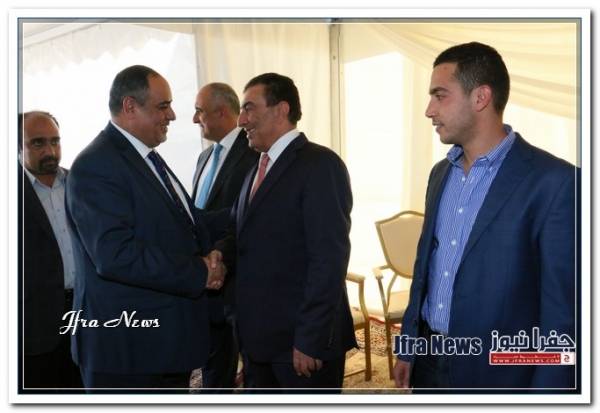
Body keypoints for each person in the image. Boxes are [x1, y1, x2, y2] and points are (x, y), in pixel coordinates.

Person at [393, 42, 577, 390]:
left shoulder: (556, 182)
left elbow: (563, 315)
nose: (429, 110)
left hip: (501, 377)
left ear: (480, 98)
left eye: (439, 95)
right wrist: (409, 346)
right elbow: (425, 269)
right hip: (429, 362)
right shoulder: (439, 174)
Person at [65, 65, 225, 390]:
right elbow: (115, 255)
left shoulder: (145, 156)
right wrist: (199, 272)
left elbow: (186, 222)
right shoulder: (96, 165)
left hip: (162, 346)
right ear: (129, 107)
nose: (173, 115)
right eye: (163, 106)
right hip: (128, 352)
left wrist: (248, 209)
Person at [217, 73, 356, 390]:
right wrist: (219, 255)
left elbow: (329, 259)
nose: (241, 120)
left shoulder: (321, 165)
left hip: (299, 345)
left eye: (249, 108)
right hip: (259, 342)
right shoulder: (256, 168)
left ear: (281, 109)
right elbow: (240, 233)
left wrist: (310, 339)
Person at [191, 82, 258, 389]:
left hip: (238, 278)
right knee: (214, 366)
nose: (195, 119)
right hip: (206, 279)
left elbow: (247, 213)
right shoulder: (204, 157)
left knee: (249, 369)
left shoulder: (255, 153)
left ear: (220, 112)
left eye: (200, 111)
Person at [19, 111, 82, 390]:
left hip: (87, 315)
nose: (50, 151)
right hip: (33, 327)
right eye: (38, 143)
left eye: (55, 141)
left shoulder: (80, 184)